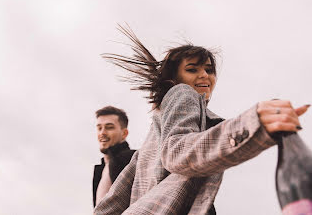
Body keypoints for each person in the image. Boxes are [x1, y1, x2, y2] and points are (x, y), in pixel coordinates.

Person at [94, 25, 309, 215]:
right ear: (173, 80)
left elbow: (115, 199)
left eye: (209, 70)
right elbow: (177, 152)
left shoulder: (155, 133)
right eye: (192, 69)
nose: (205, 75)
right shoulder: (183, 93)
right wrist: (254, 123)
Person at [93, 106, 136, 208]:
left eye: (109, 127)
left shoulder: (133, 159)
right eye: (99, 128)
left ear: (124, 133)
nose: (102, 133)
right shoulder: (101, 169)